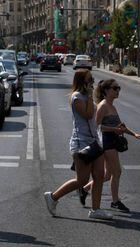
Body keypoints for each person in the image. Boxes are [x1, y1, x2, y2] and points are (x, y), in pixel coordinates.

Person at [43, 69, 112, 220]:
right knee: (82, 180)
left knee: (99, 175)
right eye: (89, 80)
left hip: (94, 141)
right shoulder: (77, 97)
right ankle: (53, 197)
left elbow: (94, 117)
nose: (92, 82)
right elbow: (87, 115)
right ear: (82, 81)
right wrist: (88, 96)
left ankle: (95, 210)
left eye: (92, 79)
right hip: (81, 143)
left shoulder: (87, 97)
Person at [79, 79, 140, 212]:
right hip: (106, 142)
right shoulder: (103, 105)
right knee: (117, 172)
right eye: (115, 88)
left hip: (112, 140)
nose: (117, 91)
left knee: (108, 175)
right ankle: (115, 201)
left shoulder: (112, 106)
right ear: (106, 91)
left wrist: (134, 134)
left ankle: (84, 189)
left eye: (118, 88)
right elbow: (97, 126)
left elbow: (120, 126)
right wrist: (114, 130)